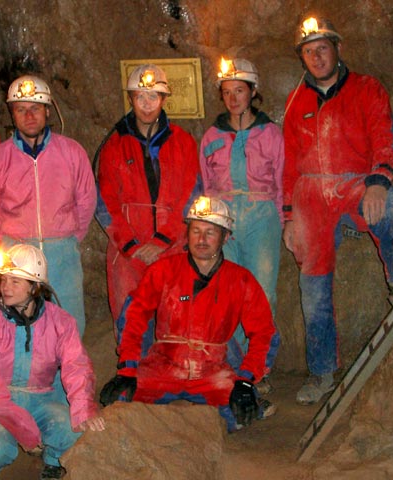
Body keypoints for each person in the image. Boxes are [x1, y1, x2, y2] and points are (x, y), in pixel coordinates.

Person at [282, 16, 393, 405]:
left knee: (391, 204)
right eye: (309, 51)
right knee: (313, 288)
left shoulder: (366, 88)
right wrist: (290, 216)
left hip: (354, 181)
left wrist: (379, 181)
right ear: (302, 58)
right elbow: (290, 163)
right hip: (311, 194)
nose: (317, 57)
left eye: (322, 48)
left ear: (337, 49)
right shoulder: (297, 102)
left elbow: (384, 137)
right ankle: (322, 372)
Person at [100, 196, 278, 431]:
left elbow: (265, 333)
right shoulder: (163, 271)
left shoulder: (240, 280)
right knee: (119, 402)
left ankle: (246, 397)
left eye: (210, 232)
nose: (202, 240)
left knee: (238, 417)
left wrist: (246, 380)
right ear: (187, 234)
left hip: (211, 370)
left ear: (225, 237)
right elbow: (134, 316)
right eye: (196, 231)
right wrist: (127, 369)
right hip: (164, 365)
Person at [0, 244, 105, 480]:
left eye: (15, 282)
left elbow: (77, 367)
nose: (5, 288)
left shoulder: (60, 322)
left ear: (35, 287)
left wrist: (84, 410)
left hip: (42, 400)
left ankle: (53, 462)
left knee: (76, 431)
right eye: (4, 280)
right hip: (0, 404)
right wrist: (26, 433)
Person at [0, 75, 96, 336]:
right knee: (22, 323)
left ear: (47, 110)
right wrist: (9, 245)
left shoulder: (72, 152)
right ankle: (26, 377)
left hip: (62, 252)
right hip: (18, 252)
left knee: (69, 322)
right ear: (12, 114)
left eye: (35, 108)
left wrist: (69, 239)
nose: (29, 116)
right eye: (21, 110)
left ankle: (68, 377)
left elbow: (87, 199)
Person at [95, 63, 202, 327]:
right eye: (140, 97)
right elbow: (104, 203)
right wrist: (131, 245)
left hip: (173, 247)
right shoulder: (114, 145)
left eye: (152, 96)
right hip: (129, 253)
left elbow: (192, 196)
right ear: (131, 98)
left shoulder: (183, 142)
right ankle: (131, 370)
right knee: (131, 322)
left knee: (177, 322)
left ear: (164, 99)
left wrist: (163, 240)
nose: (146, 104)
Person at [200, 57, 283, 394]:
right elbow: (205, 184)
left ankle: (259, 369)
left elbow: (282, 180)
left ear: (252, 92)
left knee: (262, 294)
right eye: (227, 92)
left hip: (261, 215)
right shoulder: (211, 136)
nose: (233, 98)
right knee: (228, 294)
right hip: (224, 219)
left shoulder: (270, 133)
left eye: (240, 90)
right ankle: (235, 368)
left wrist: (284, 221)